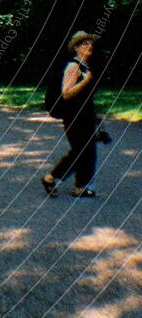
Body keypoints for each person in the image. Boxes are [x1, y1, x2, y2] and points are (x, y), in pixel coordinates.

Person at [41, 31, 100, 198]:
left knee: (88, 151)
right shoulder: (73, 66)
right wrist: (85, 80)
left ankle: (81, 186)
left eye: (90, 44)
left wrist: (94, 114)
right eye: (84, 44)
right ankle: (50, 178)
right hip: (74, 116)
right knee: (80, 150)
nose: (89, 46)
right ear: (76, 48)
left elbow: (85, 97)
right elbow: (66, 93)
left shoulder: (85, 66)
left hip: (85, 115)